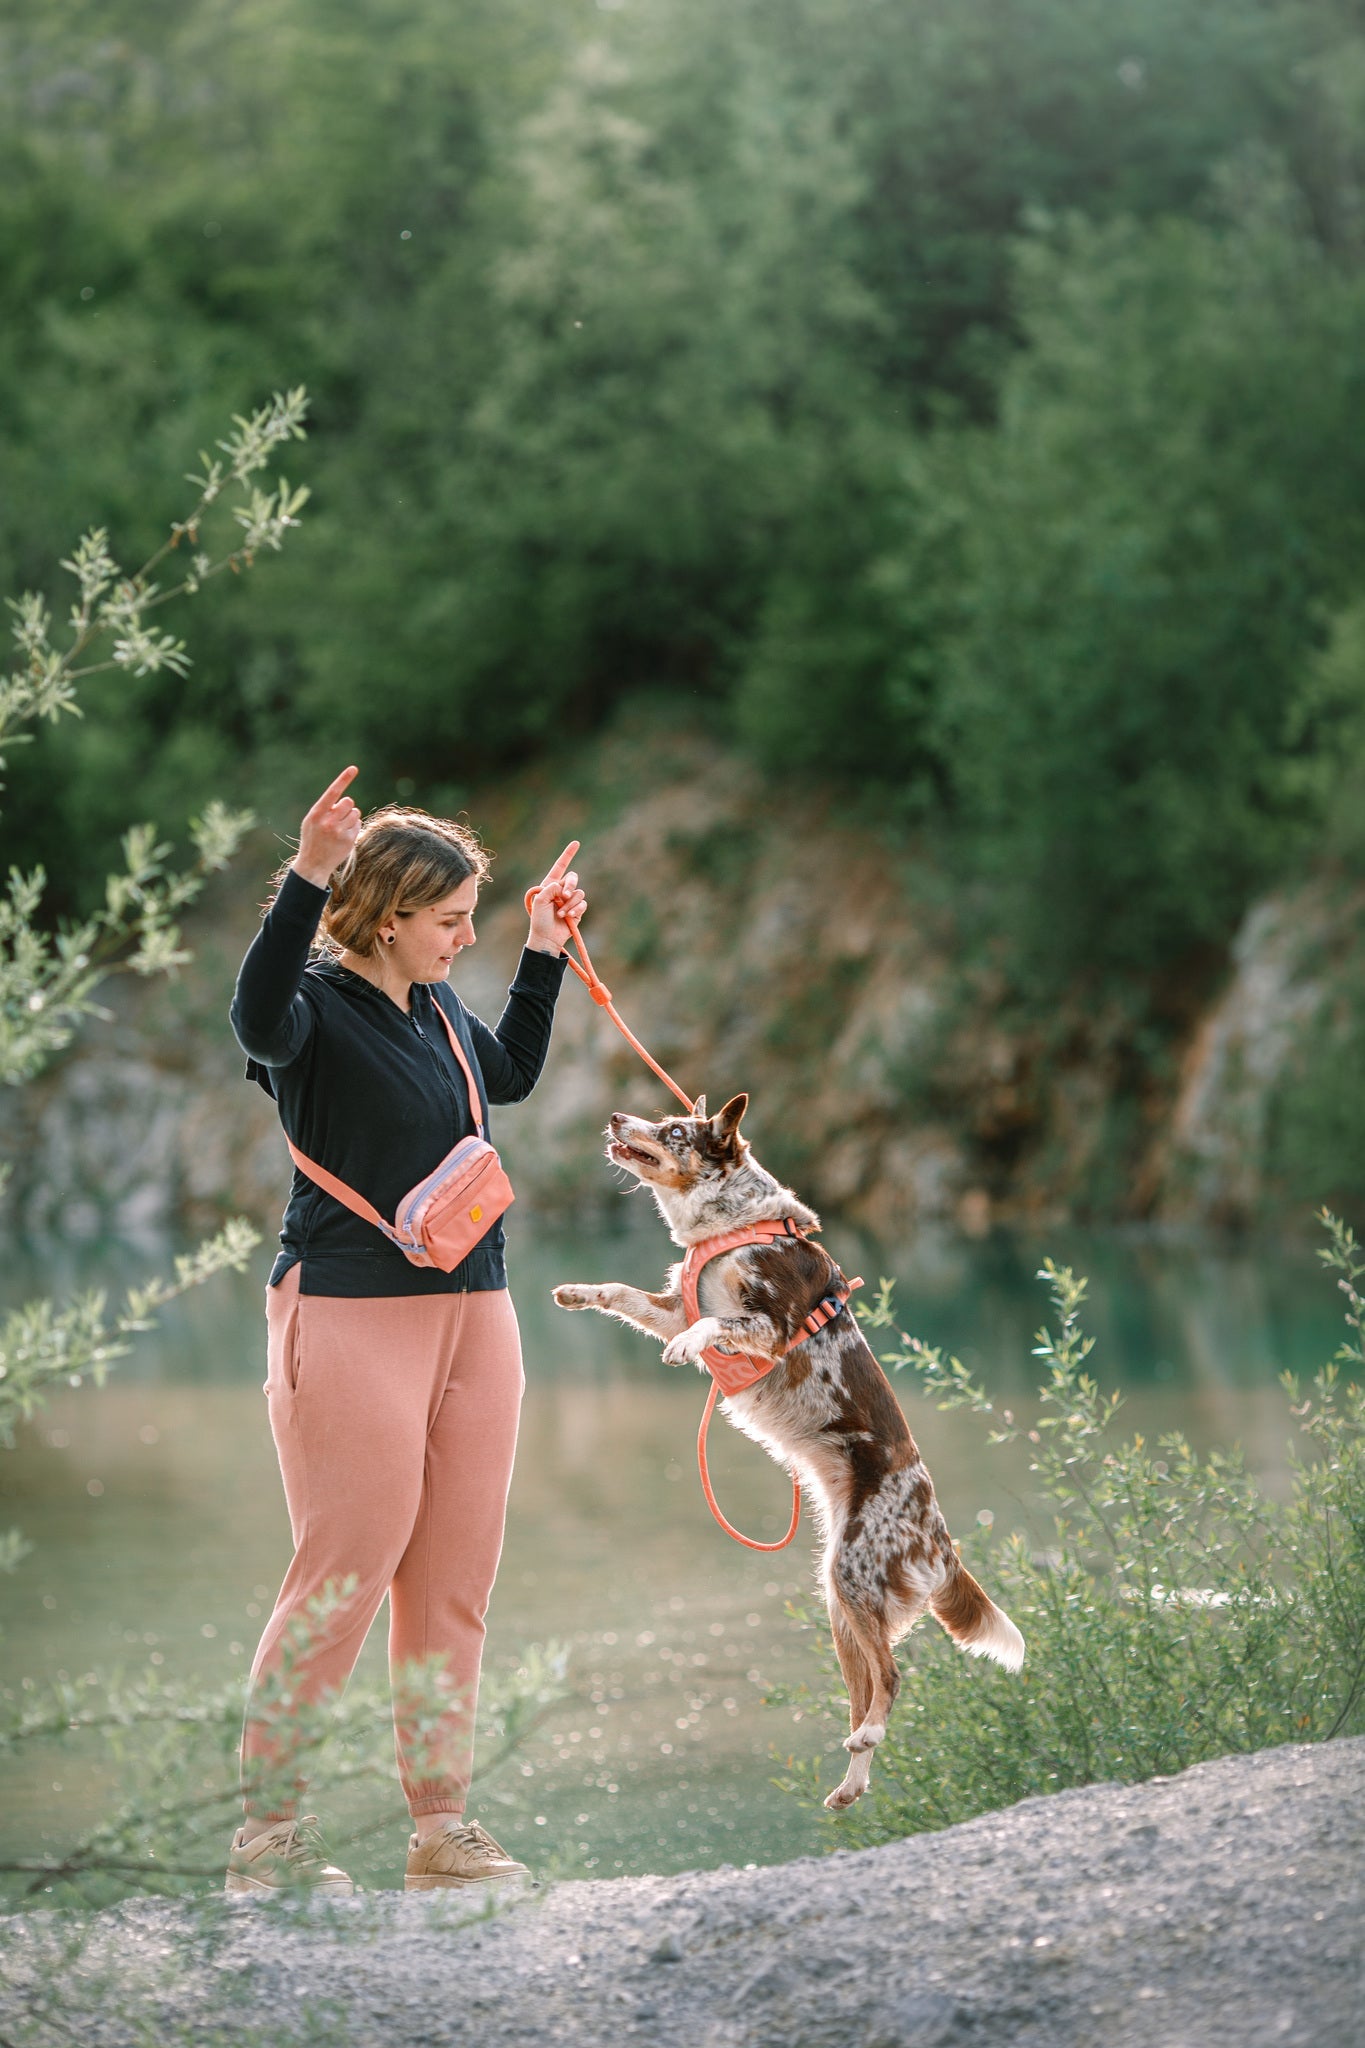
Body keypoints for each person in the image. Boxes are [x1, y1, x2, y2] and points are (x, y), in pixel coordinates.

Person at [223, 766, 583, 1895]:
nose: (465, 937)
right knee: (343, 1569)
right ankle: (267, 1838)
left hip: (477, 1309)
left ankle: (441, 1828)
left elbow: (508, 1074)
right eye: (449, 919)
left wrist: (543, 951)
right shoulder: (311, 1009)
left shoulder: (435, 1008)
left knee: (453, 1578)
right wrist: (306, 874)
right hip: (346, 1310)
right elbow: (252, 1016)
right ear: (387, 916)